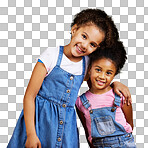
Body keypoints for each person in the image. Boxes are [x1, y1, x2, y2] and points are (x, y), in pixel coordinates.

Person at [7, 9, 131, 148]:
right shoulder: (51, 55)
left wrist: (115, 84)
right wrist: (31, 134)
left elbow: (98, 86)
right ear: (74, 29)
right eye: (84, 36)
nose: (85, 45)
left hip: (66, 129)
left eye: (92, 44)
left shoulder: (87, 63)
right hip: (39, 122)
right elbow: (30, 96)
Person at [76, 41, 136, 148]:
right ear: (89, 69)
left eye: (108, 73)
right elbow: (87, 131)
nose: (102, 76)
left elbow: (130, 124)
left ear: (114, 74)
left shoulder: (120, 94)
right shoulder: (80, 102)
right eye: (98, 70)